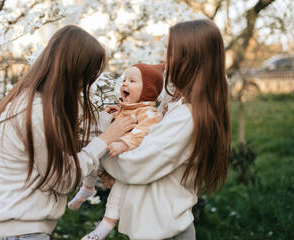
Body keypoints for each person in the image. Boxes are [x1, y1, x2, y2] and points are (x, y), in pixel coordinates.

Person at [0, 25, 137, 240]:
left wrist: (105, 124)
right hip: (20, 232)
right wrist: (105, 140)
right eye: (86, 77)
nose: (85, 85)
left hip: (13, 230)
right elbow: (63, 179)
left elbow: (56, 157)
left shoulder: (21, 104)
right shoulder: (37, 114)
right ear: (75, 71)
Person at [86, 19, 231, 240]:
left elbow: (134, 165)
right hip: (155, 228)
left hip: (164, 231)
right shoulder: (174, 102)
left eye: (169, 50)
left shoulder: (186, 117)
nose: (163, 58)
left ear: (188, 59)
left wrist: (101, 142)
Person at [68, 63, 165, 240]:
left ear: (148, 91)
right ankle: (87, 188)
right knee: (93, 154)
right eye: (125, 79)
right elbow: (102, 134)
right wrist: (107, 117)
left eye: (132, 81)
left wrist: (124, 144)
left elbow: (142, 133)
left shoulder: (149, 113)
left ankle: (103, 227)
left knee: (118, 191)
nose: (124, 84)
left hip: (126, 165)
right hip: (111, 159)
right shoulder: (124, 110)